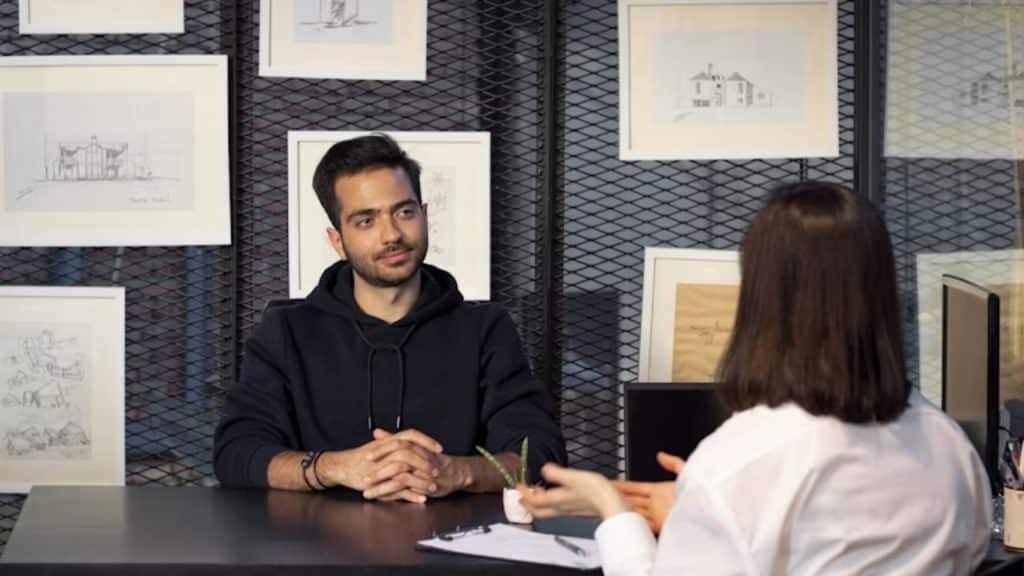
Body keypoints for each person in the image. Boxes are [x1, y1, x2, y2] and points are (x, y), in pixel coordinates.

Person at [519, 181, 992, 575]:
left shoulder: (741, 461)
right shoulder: (950, 447)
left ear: (762, 299)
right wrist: (707, 504)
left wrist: (613, 510)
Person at [214, 134, 566, 502]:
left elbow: (541, 456)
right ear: (337, 240)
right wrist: (335, 467)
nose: (392, 235)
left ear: (424, 216)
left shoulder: (486, 329)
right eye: (366, 221)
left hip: (459, 535)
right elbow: (236, 453)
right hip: (316, 536)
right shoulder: (286, 332)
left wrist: (453, 472)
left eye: (404, 213)